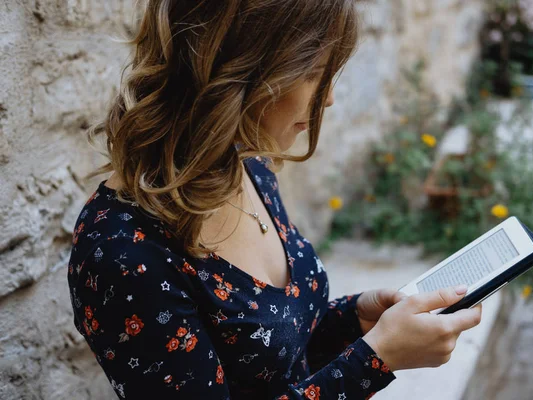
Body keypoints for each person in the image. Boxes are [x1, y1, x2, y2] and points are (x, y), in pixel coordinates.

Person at [66, 1, 483, 399]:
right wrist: (376, 361)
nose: (331, 97)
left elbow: (266, 354)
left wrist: (354, 319)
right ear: (242, 65)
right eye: (316, 72)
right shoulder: (120, 251)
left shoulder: (246, 163)